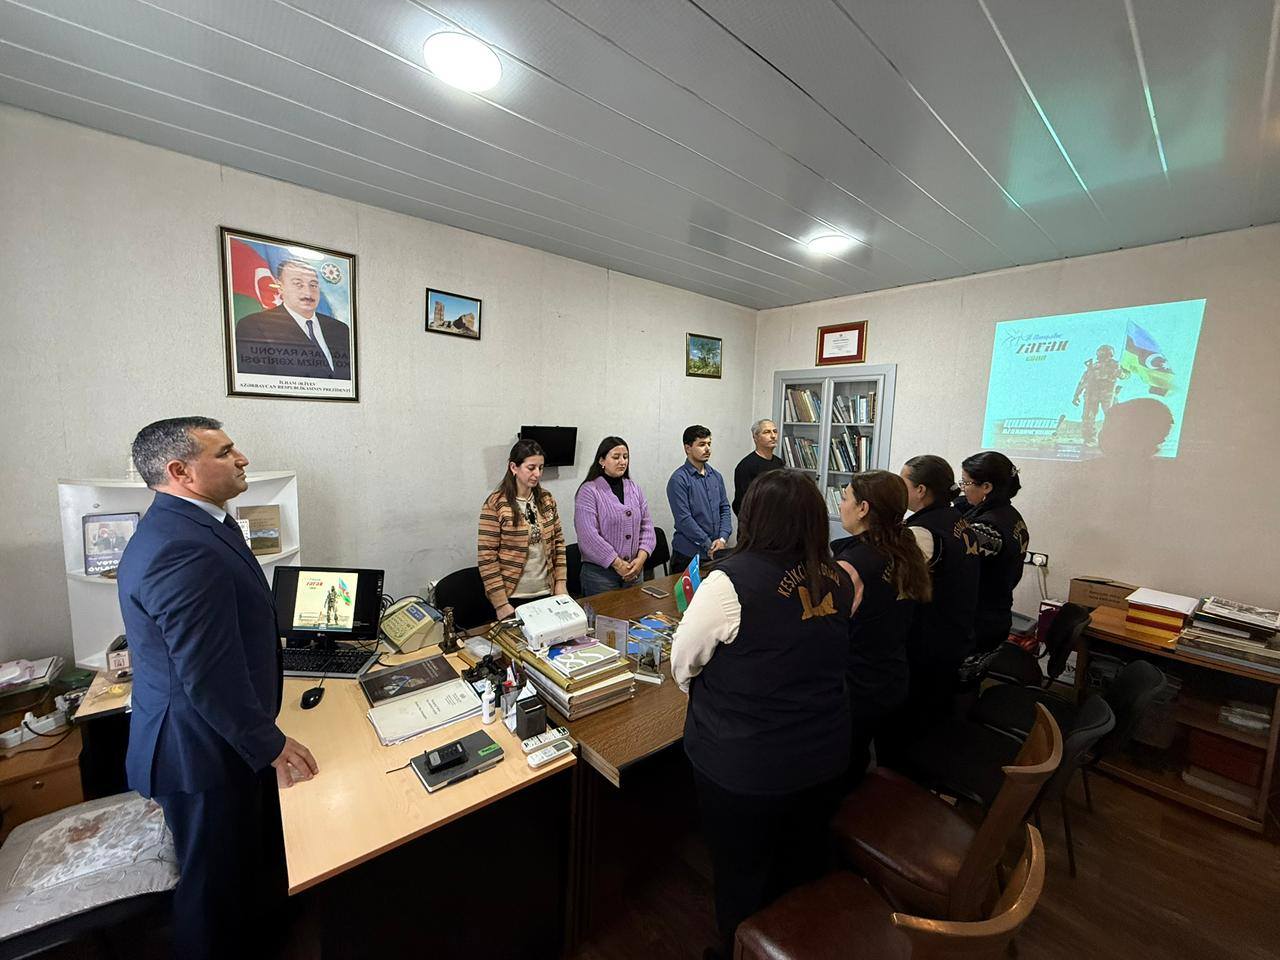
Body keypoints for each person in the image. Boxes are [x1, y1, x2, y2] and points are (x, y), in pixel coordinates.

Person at [116, 417, 318, 960]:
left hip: (221, 736)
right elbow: (205, 671)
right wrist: (269, 742)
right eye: (225, 452)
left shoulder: (202, 525)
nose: (242, 458)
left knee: (244, 866)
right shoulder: (179, 546)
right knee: (212, 888)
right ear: (180, 471)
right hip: (199, 748)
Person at [672, 470, 854, 957]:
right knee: (797, 863)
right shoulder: (838, 576)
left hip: (746, 765)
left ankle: (740, 949)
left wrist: (711, 693)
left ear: (753, 515)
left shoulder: (729, 582)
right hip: (824, 752)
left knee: (741, 873)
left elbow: (683, 661)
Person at [833, 470, 932, 781]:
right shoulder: (905, 548)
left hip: (856, 684)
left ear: (863, 508)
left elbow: (827, 630)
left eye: (845, 498)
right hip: (891, 673)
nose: (841, 506)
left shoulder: (852, 565)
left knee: (843, 762)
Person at [898, 455, 980, 724]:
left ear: (920, 490)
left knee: (918, 711)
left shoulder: (922, 532)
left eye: (903, 482)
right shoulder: (957, 519)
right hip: (956, 628)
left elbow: (899, 588)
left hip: (931, 638)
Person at [478, 439, 568, 619]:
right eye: (531, 468)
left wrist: (561, 582)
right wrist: (501, 603)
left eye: (540, 468)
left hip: (547, 591)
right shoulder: (496, 503)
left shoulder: (546, 499)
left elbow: (558, 543)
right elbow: (487, 556)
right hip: (513, 597)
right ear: (514, 467)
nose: (537, 474)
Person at [958, 451, 1030, 652]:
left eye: (966, 483)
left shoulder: (987, 529)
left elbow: (958, 568)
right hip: (997, 614)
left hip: (980, 623)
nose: (962, 489)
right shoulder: (1010, 515)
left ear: (987, 487)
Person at [234, 259, 352, 380]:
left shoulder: (340, 329)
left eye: (313, 285)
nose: (308, 293)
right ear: (280, 287)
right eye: (298, 284)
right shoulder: (253, 326)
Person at [573, 436, 656, 596]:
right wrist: (618, 564)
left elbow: (647, 527)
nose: (622, 462)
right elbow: (588, 536)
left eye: (625, 457)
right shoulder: (589, 491)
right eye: (616, 457)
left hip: (634, 571)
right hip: (601, 577)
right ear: (602, 461)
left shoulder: (634, 488)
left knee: (636, 611)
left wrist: (640, 559)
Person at [666, 424, 732, 573]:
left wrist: (722, 539)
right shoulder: (678, 479)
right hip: (688, 556)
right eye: (701, 444)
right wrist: (708, 544)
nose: (707, 449)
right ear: (688, 448)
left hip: (716, 552)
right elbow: (684, 519)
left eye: (709, 444)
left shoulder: (716, 476)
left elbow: (725, 509)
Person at [1073, 344, 1128, 445]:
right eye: (1100, 354)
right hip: (1092, 394)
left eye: (1103, 354)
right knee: (1088, 417)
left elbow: (1125, 375)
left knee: (1113, 416)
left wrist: (1119, 373)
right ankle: (1090, 439)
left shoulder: (1115, 365)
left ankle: (1115, 439)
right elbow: (1083, 381)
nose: (1101, 356)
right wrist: (1076, 395)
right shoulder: (1093, 367)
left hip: (1108, 394)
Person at [731, 419, 784, 515]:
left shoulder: (779, 463)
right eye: (767, 432)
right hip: (757, 520)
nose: (773, 436)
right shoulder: (746, 466)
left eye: (775, 431)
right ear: (755, 437)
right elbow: (741, 503)